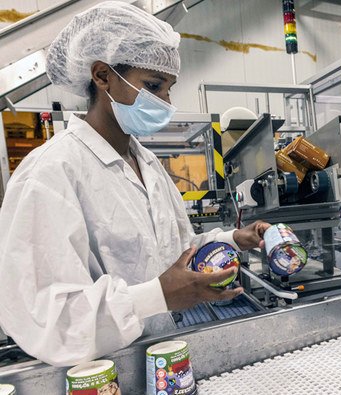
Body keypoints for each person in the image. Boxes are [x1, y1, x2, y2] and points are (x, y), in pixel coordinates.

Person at [0, 1, 269, 367]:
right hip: (99, 374)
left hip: (160, 357)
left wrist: (232, 239)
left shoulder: (148, 164)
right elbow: (47, 318)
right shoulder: (50, 173)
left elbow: (175, 250)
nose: (166, 102)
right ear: (102, 76)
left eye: (169, 88)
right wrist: (157, 295)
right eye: (154, 86)